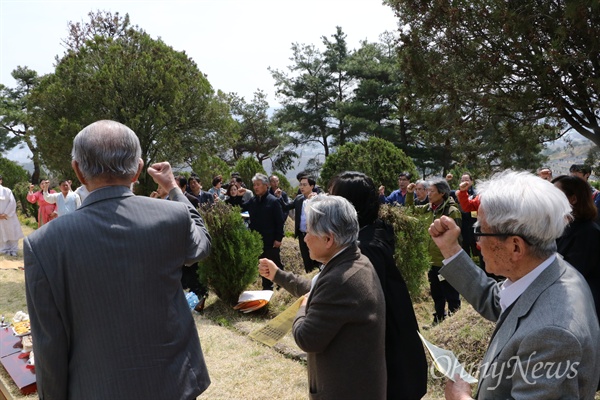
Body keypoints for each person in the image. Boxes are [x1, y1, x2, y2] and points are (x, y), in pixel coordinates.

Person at [24, 120, 212, 399]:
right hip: (174, 384)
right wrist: (173, 188)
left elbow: (48, 344)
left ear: (78, 171)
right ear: (138, 169)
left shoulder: (42, 243)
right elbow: (202, 245)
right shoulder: (173, 217)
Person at [429, 171, 600, 399]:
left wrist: (461, 397)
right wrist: (450, 249)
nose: (477, 242)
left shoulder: (551, 335)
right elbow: (495, 301)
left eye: (480, 231)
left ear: (516, 247)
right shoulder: (550, 271)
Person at [259, 195, 386, 399]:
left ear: (328, 239)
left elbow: (306, 338)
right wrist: (277, 275)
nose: (305, 238)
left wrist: (303, 306)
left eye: (309, 232)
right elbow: (318, 289)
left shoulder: (341, 279)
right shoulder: (352, 262)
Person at [328, 171, 427, 400]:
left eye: (333, 198)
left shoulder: (365, 247)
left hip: (385, 351)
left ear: (348, 205)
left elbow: (366, 308)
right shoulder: (372, 232)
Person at [406, 178, 462, 325]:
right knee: (437, 293)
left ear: (442, 193)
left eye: (432, 191)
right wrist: (410, 194)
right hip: (432, 260)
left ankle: (454, 323)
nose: (428, 194)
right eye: (428, 191)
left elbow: (458, 237)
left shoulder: (451, 211)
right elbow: (410, 210)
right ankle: (438, 318)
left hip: (447, 260)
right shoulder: (429, 208)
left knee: (451, 294)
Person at [553, 175, 600, 321]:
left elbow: (572, 275)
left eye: (555, 195)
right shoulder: (562, 228)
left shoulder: (588, 233)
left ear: (573, 199)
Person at [241, 173, 285, 290]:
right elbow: (240, 208)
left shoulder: (273, 201)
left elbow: (279, 222)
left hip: (271, 241)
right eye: (254, 185)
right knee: (263, 267)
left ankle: (283, 288)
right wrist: (237, 196)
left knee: (276, 265)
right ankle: (267, 289)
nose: (255, 187)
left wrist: (278, 239)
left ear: (266, 185)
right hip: (258, 241)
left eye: (258, 184)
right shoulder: (253, 201)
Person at [283, 175, 320, 273]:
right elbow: (286, 207)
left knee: (316, 260)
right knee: (306, 260)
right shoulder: (298, 199)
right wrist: (279, 197)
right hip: (301, 235)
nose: (301, 187)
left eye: (304, 185)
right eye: (300, 185)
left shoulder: (318, 199)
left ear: (312, 186)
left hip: (314, 235)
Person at [0, 175, 24, 256]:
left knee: (12, 232)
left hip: (8, 217)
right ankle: (3, 250)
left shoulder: (7, 191)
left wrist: (5, 213)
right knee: (1, 234)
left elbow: (12, 202)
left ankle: (13, 250)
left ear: (1, 181)